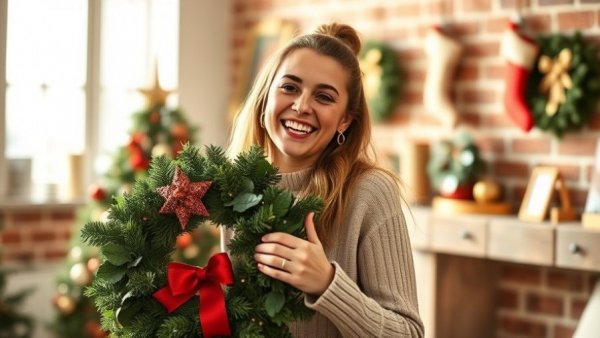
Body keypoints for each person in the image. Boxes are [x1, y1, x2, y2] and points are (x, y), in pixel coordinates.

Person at [225, 22, 424, 337]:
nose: (302, 106)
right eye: (290, 87)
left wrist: (327, 283)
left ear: (345, 119)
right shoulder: (235, 189)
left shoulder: (368, 192)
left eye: (324, 97)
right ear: (265, 98)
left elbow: (408, 332)